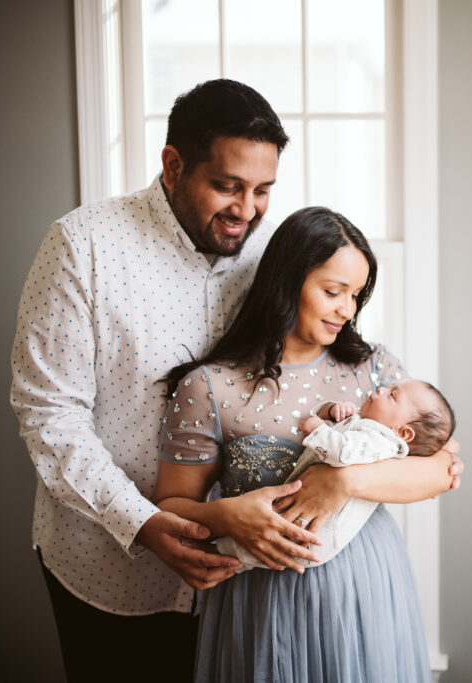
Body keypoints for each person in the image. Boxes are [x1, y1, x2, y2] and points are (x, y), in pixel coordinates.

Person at [10, 79, 461, 682]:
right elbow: (49, 416)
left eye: (263, 191)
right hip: (112, 563)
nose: (246, 210)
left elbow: (424, 444)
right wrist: (143, 523)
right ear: (173, 165)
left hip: (248, 583)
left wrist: (344, 479)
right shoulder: (84, 246)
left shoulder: (280, 257)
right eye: (227, 186)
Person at [153, 206, 454, 682]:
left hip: (366, 590)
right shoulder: (210, 386)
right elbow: (169, 505)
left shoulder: (375, 371)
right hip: (259, 603)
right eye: (333, 292)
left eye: (356, 295)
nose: (347, 310)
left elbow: (443, 469)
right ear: (285, 281)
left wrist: (346, 482)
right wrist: (225, 515)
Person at [213, 381, 456, 570]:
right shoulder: (368, 426)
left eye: (392, 395)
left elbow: (343, 453)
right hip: (306, 518)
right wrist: (332, 411)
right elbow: (344, 433)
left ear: (403, 432)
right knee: (268, 539)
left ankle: (221, 555)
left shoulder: (382, 442)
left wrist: (319, 430)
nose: (381, 389)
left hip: (321, 534)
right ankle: (224, 554)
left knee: (271, 546)